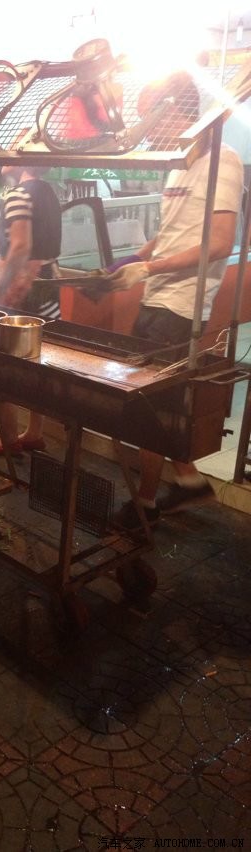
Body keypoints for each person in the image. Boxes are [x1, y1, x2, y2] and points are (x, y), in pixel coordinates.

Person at [107, 72, 244, 529]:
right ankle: (189, 481)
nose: (147, 129)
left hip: (182, 304)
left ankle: (145, 504)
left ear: (178, 111)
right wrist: (131, 261)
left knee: (151, 405)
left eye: (151, 116)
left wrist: (151, 268)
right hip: (157, 296)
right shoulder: (177, 164)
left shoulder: (223, 161)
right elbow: (168, 235)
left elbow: (219, 243)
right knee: (156, 400)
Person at [0, 164, 62, 456]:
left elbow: (20, 246)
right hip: (48, 287)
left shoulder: (15, 193)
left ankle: (9, 439)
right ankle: (35, 432)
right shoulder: (49, 192)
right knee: (40, 363)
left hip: (20, 292)